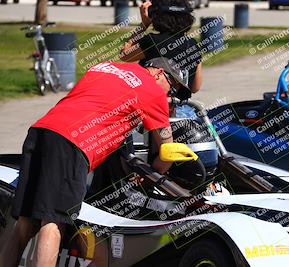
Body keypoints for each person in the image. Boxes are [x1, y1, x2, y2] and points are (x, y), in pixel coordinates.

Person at [0, 57, 190, 267]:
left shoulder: (107, 66)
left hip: (41, 131)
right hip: (72, 143)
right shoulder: (153, 93)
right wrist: (154, 175)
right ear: (159, 73)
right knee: (54, 220)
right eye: (172, 88)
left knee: (25, 223)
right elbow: (167, 149)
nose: (169, 95)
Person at [120, 0, 202, 94]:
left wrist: (144, 25)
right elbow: (195, 87)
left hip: (150, 103)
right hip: (178, 106)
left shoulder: (152, 41)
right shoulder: (192, 43)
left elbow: (124, 55)